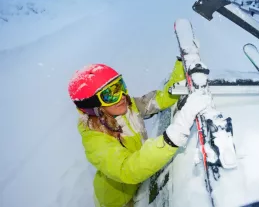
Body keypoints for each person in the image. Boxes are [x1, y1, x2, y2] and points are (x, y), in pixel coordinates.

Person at [67, 59, 211, 207]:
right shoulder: (95, 140)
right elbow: (127, 170)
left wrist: (182, 63)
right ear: (94, 107)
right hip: (119, 201)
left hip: (140, 180)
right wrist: (173, 136)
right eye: (110, 94)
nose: (122, 96)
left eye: (120, 86)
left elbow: (159, 100)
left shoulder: (127, 107)